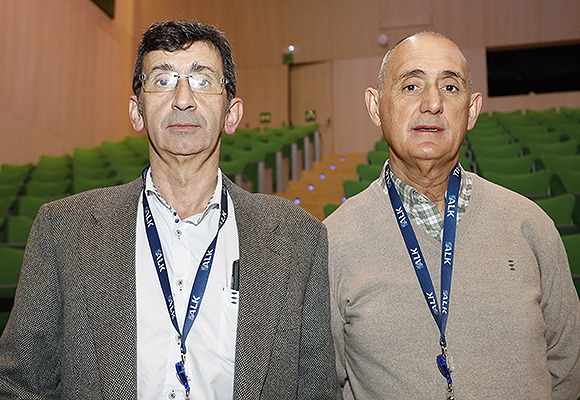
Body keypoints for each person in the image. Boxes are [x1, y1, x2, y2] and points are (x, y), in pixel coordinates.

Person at [0, 20, 339, 400]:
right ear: (136, 111)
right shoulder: (64, 229)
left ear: (232, 113)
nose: (182, 98)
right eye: (162, 80)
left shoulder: (299, 237)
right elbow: (19, 386)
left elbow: (317, 390)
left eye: (202, 80)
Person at [325, 32, 580, 399]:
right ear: (375, 105)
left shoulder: (530, 224)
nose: (432, 103)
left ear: (472, 109)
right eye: (412, 85)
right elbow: (325, 384)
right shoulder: (332, 242)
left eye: (450, 87)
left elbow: (566, 368)